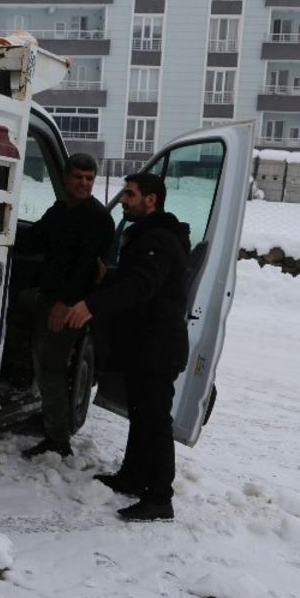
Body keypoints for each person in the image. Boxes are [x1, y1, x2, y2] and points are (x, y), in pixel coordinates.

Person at [63, 172, 191, 522]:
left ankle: (160, 497)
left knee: (154, 421)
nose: (123, 200)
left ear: (151, 200)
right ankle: (134, 476)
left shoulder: (160, 239)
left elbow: (143, 286)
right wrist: (112, 279)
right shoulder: (150, 236)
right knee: (141, 414)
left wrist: (92, 304)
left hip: (158, 347)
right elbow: (141, 278)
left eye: (130, 195)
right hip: (144, 344)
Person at [18, 153, 114, 460]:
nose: (84, 183)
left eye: (89, 178)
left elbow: (87, 270)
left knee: (53, 369)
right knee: (43, 362)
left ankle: (57, 439)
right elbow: (34, 240)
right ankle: (47, 416)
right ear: (65, 178)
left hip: (70, 307)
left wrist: (64, 305)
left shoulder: (97, 218)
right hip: (48, 297)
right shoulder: (60, 211)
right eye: (78, 177)